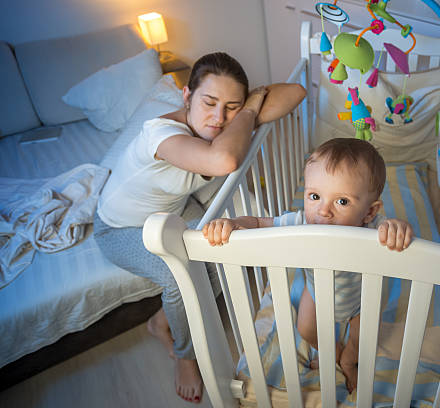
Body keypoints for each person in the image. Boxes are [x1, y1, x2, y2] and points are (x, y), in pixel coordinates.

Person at [93, 51, 306, 404]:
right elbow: (224, 159)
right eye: (209, 102)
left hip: (169, 211)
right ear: (187, 97)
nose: (219, 118)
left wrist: (250, 102)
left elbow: (297, 91)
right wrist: (250, 109)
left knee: (219, 249)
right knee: (180, 275)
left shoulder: (223, 121)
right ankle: (185, 355)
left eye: (230, 107)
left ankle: (160, 321)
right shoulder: (160, 134)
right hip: (119, 227)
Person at [202, 138, 414, 393]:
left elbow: (392, 232)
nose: (323, 211)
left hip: (361, 300)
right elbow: (259, 223)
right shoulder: (302, 222)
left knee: (365, 340)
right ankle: (332, 349)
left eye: (342, 201)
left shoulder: (373, 228)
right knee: (306, 328)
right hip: (316, 294)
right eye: (315, 196)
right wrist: (235, 223)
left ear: (369, 211)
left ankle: (348, 360)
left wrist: (397, 228)